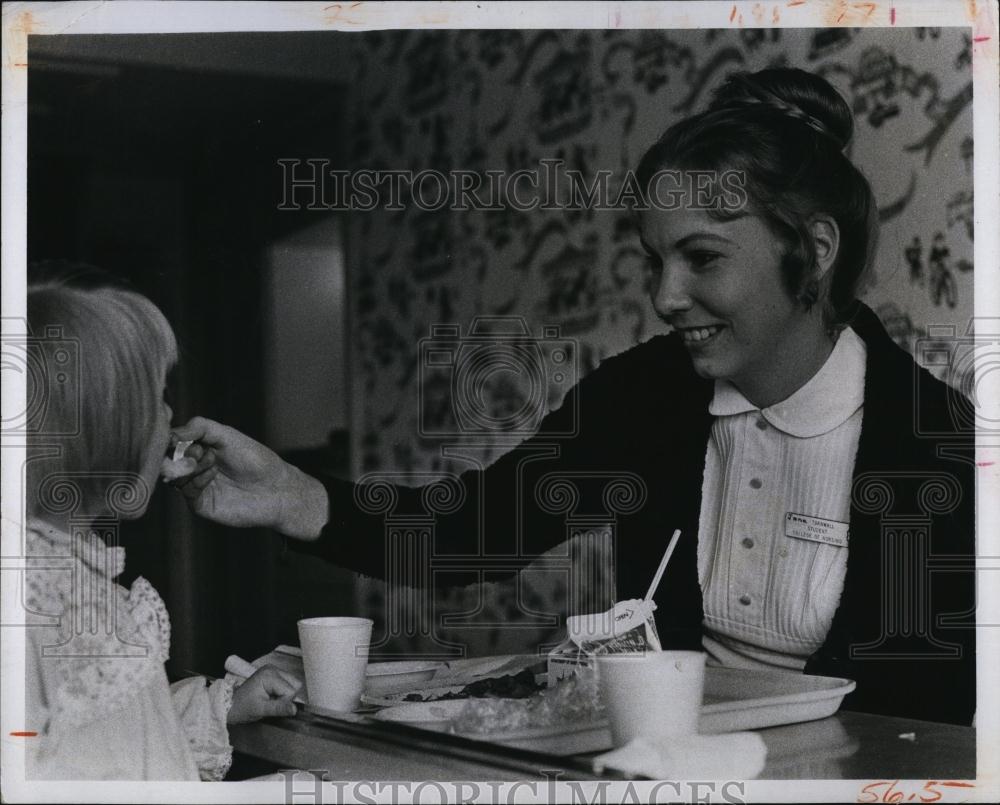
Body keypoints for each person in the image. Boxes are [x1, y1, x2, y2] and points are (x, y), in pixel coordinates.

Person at [171, 68, 975, 726]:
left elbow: (940, 715)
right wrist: (295, 493)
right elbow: (476, 528)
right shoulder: (646, 394)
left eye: (702, 257)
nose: (666, 296)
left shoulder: (937, 443)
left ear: (815, 249)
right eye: (654, 261)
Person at [23, 281, 299, 780]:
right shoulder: (67, 609)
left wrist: (221, 709)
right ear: (108, 430)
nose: (172, 414)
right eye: (158, 396)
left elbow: (121, 734)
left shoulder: (62, 581)